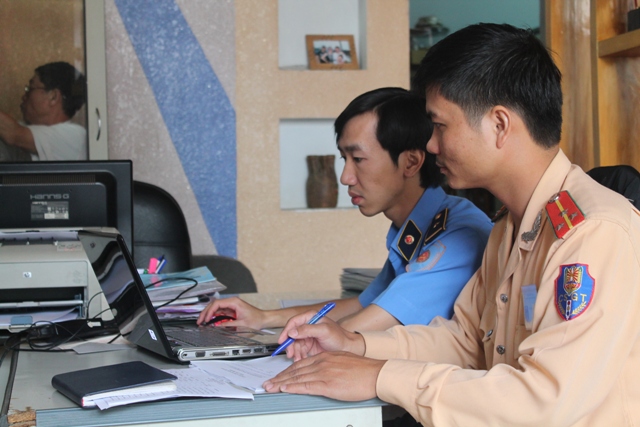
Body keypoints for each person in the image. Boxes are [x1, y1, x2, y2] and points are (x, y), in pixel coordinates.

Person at [263, 23, 640, 426]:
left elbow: (544, 401)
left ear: (499, 125)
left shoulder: (592, 232)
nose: (430, 145)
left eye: (440, 126)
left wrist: (380, 376)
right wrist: (355, 345)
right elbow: (465, 340)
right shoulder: (509, 227)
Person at [198, 87, 492, 333]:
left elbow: (361, 328)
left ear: (411, 162)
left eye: (358, 159)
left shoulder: (456, 234)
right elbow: (362, 305)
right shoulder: (412, 229)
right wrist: (263, 317)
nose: (345, 177)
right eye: (344, 159)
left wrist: (303, 337)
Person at [0, 61, 87, 161]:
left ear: (53, 97)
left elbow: (14, 133)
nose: (24, 97)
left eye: (30, 89)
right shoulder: (26, 128)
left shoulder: (74, 136)